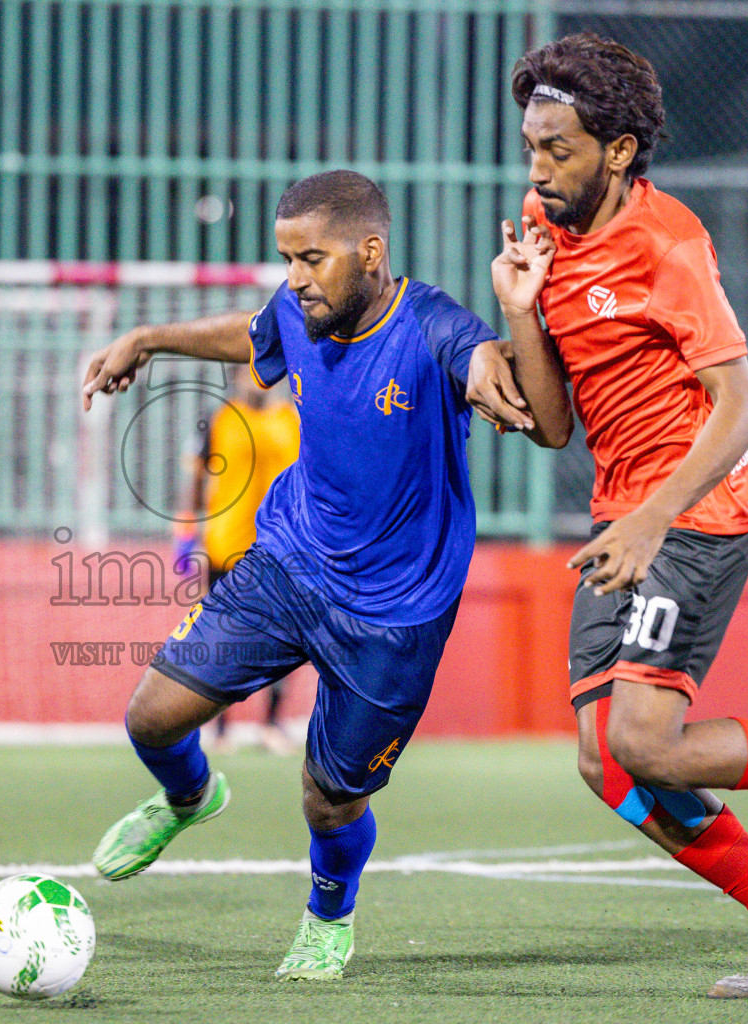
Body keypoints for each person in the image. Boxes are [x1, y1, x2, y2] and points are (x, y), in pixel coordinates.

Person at [465, 34, 748, 999]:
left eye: (558, 149)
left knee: (641, 740)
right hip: (621, 516)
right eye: (530, 146)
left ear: (620, 150)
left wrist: (649, 520)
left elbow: (742, 408)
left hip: (696, 509)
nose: (538, 168)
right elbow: (555, 426)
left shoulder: (667, 242)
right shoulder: (542, 225)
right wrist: (518, 309)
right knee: (606, 764)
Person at [82, 169, 496, 980]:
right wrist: (149, 339)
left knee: (329, 798)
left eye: (312, 259)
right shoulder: (301, 310)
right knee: (152, 719)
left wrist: (491, 370)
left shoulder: (434, 326)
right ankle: (190, 797)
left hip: (395, 611)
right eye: (287, 259)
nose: (295, 278)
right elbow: (253, 331)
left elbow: (479, 361)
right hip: (289, 562)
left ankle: (327, 918)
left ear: (370, 251)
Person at [174, 365, 300, 755]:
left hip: (281, 549)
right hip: (225, 544)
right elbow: (194, 478)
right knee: (223, 637)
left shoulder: (292, 420)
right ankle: (221, 727)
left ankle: (272, 724)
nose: (254, 379)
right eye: (245, 372)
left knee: (286, 637)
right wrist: (184, 533)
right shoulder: (220, 418)